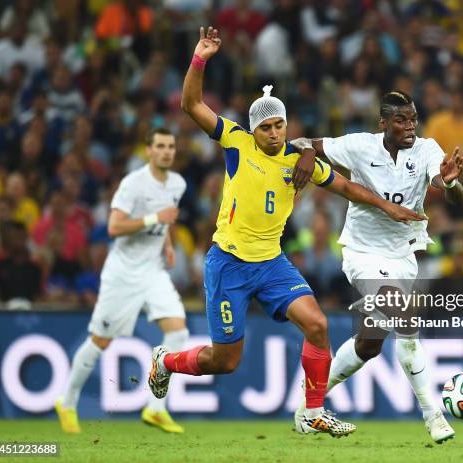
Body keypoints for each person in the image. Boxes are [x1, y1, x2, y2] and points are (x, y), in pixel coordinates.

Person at [147, 27, 425, 438]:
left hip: (272, 263)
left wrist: (389, 207)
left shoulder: (300, 161)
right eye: (267, 128)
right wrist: (200, 58)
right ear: (254, 130)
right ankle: (166, 363)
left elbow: (346, 187)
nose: (275, 133)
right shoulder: (236, 143)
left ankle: (313, 411)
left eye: (280, 125)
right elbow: (191, 104)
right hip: (229, 264)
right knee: (225, 361)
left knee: (317, 325)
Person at [290, 90, 463, 443]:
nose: (409, 127)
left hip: (403, 256)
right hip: (362, 252)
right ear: (383, 123)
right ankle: (433, 415)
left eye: (413, 119)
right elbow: (301, 140)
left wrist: (449, 182)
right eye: (401, 121)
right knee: (406, 318)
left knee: (370, 344)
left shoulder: (427, 150)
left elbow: (450, 192)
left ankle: (310, 405)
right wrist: (308, 152)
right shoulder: (360, 146)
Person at [55, 127, 189, 434]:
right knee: (100, 340)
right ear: (149, 150)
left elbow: (167, 218)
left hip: (153, 272)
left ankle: (155, 408)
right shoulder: (133, 184)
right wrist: (155, 220)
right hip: (123, 274)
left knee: (178, 333)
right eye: (161, 146)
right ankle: (67, 401)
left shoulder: (177, 183)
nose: (167, 151)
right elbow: (114, 226)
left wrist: (168, 246)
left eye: (171, 146)